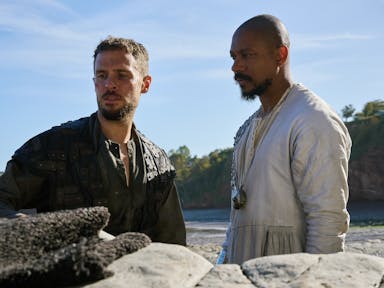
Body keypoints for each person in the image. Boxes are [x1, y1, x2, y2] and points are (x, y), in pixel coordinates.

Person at [0, 36, 186, 245]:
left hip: (137, 275)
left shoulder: (158, 163)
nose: (109, 84)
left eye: (122, 75)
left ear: (145, 84)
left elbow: (174, 242)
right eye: (101, 75)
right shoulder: (53, 147)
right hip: (72, 274)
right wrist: (39, 230)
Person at [217, 15, 351, 264]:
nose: (236, 66)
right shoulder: (247, 129)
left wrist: (315, 281)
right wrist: (221, 269)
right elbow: (236, 218)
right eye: (234, 57)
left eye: (247, 55)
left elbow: (328, 222)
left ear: (280, 55)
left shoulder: (313, 119)